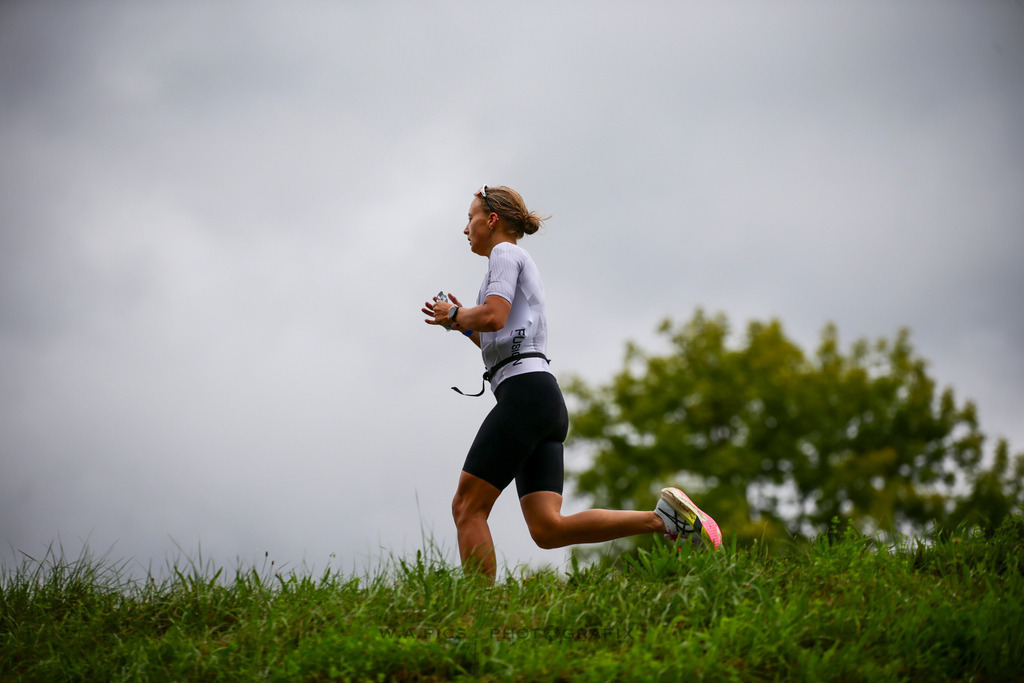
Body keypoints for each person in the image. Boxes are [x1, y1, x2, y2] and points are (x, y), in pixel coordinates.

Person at [422, 185, 721, 580]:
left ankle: (477, 609)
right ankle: (664, 519)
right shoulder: (512, 259)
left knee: (467, 508)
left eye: (470, 218)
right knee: (548, 529)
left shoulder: (504, 254)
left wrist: (456, 312)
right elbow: (497, 337)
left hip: (525, 397)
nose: (465, 228)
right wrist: (460, 324)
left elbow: (493, 315)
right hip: (541, 400)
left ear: (491, 220)